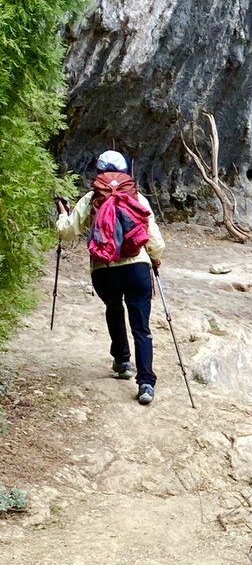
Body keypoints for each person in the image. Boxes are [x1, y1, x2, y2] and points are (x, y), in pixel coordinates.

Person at [55, 150, 166, 406]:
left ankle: (123, 362)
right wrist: (155, 258)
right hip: (137, 268)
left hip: (104, 269)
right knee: (141, 326)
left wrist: (62, 212)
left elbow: (67, 232)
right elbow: (155, 240)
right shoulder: (137, 197)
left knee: (114, 308)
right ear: (125, 172)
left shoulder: (91, 198)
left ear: (98, 173)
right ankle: (146, 383)